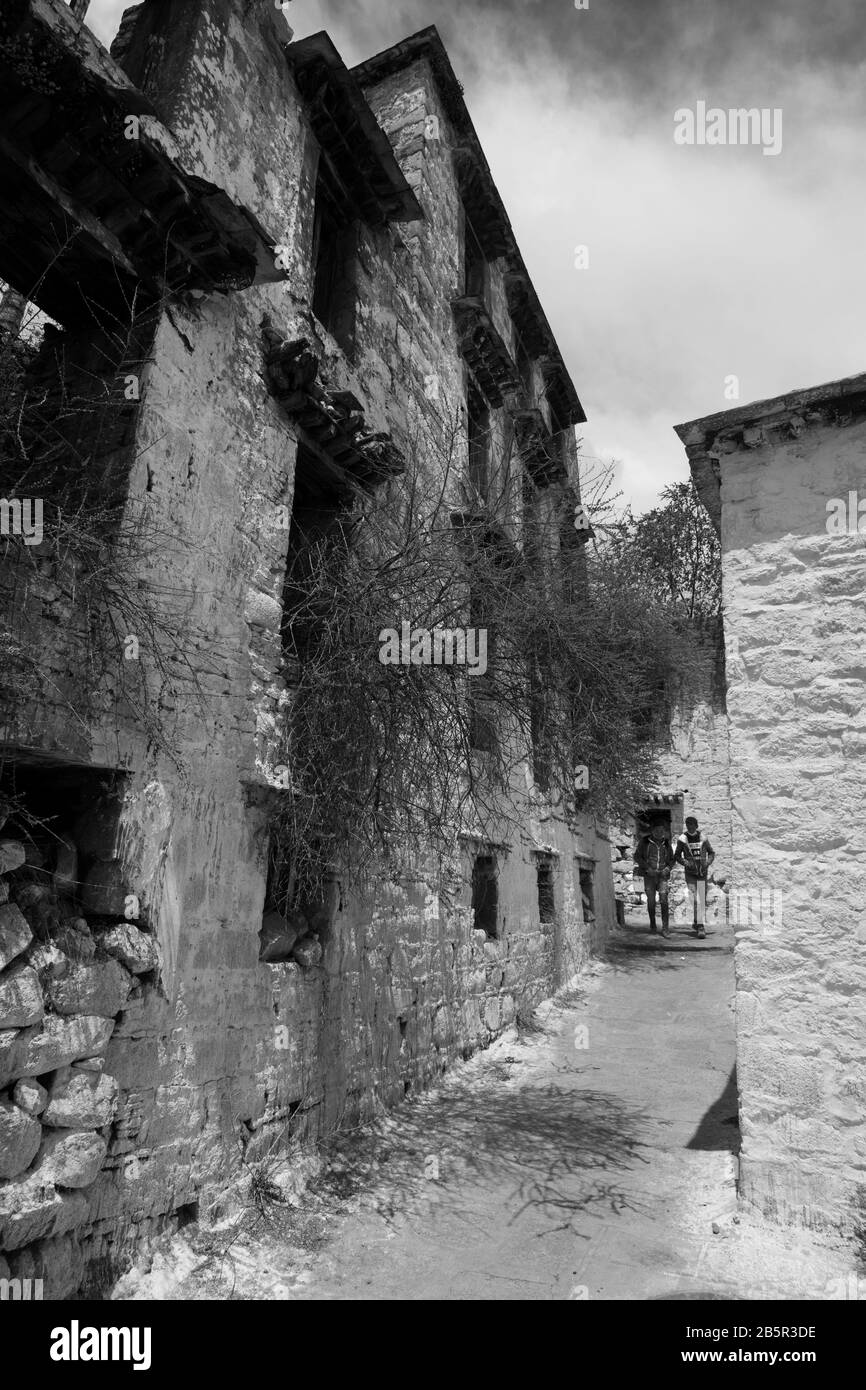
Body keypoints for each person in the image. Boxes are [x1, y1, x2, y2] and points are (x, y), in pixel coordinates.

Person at [673, 815, 715, 938]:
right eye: (688, 824)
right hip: (690, 873)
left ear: (696, 826)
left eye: (692, 824)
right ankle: (700, 925)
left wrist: (707, 862)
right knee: (695, 899)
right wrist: (684, 862)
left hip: (702, 873)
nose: (690, 826)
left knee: (701, 899)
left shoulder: (703, 837)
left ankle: (698, 923)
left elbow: (711, 852)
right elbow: (677, 855)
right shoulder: (683, 839)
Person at [634, 821, 674, 937]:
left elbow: (672, 859)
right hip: (649, 876)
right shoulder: (645, 842)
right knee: (651, 901)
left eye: (661, 831)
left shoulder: (666, 843)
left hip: (663, 876)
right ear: (652, 831)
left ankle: (665, 928)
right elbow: (637, 856)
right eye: (657, 830)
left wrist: (668, 868)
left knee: (664, 899)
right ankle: (652, 924)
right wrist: (647, 868)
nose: (659, 833)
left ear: (664, 832)